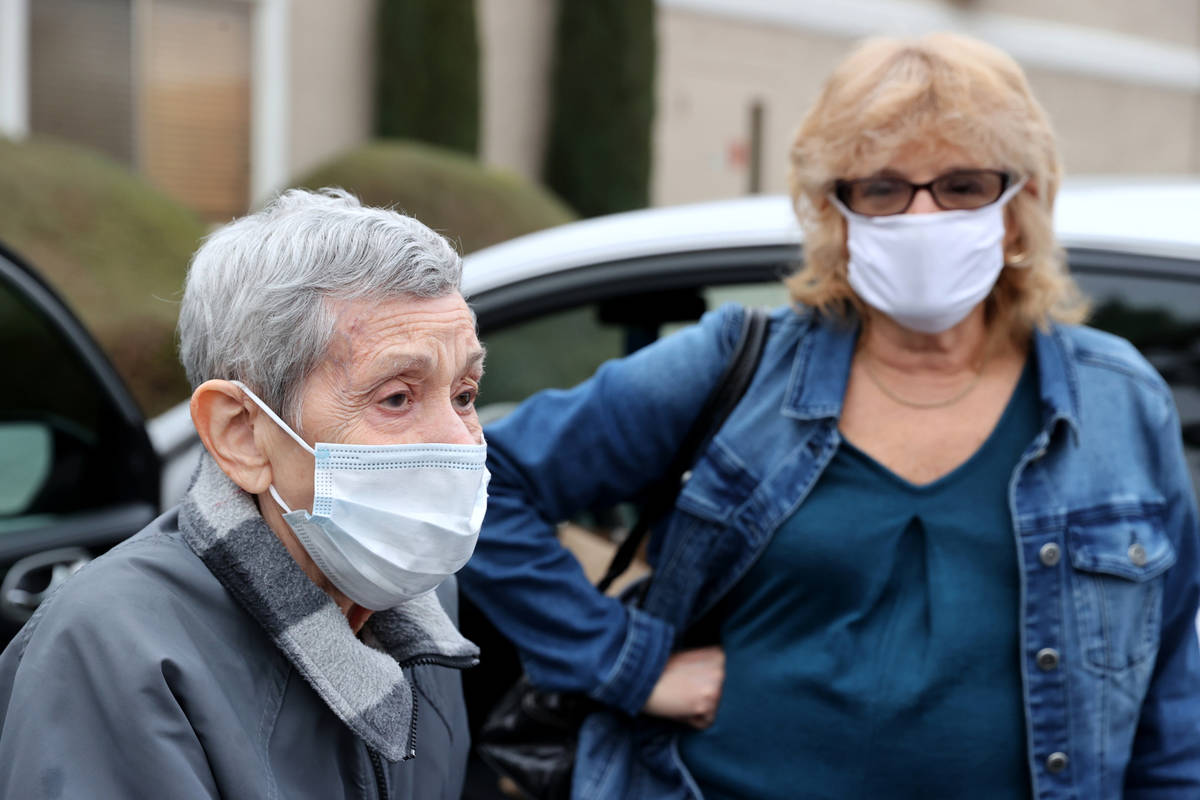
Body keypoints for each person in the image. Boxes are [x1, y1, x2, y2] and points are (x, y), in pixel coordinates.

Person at [459, 33, 1200, 799]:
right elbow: (478, 482)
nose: (922, 216)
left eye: (962, 185)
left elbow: (1171, 703)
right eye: (882, 188)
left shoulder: (1115, 400)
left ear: (1021, 207)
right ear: (834, 212)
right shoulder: (735, 367)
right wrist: (628, 662)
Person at [0, 189, 488, 798]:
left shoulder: (424, 599)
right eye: (396, 396)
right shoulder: (113, 652)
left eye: (465, 395)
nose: (460, 442)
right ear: (242, 434)